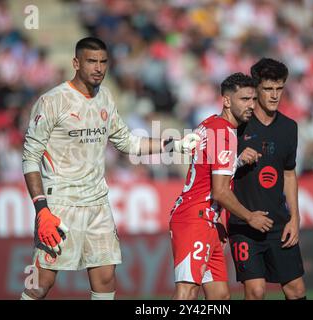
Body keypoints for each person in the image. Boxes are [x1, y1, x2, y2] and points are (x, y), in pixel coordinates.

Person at [20, 37, 199, 300]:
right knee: (41, 282)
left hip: (97, 203)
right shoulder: (52, 101)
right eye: (91, 61)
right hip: (61, 204)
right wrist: (41, 209)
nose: (98, 68)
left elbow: (127, 142)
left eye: (103, 62)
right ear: (75, 63)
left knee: (105, 278)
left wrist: (174, 144)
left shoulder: (104, 97)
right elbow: (30, 157)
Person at [169, 73, 273, 300]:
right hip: (194, 218)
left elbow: (206, 172)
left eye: (254, 100)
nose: (251, 105)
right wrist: (249, 217)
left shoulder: (209, 124)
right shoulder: (224, 132)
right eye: (244, 99)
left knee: (220, 296)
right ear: (227, 101)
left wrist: (236, 162)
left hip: (208, 220)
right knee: (187, 291)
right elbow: (220, 191)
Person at [228, 58, 306, 300]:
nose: (274, 95)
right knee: (256, 291)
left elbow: (289, 173)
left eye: (279, 88)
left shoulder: (289, 128)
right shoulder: (236, 126)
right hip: (244, 226)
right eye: (268, 88)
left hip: (279, 224)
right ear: (256, 89)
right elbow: (218, 171)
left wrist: (295, 217)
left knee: (296, 290)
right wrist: (238, 159)